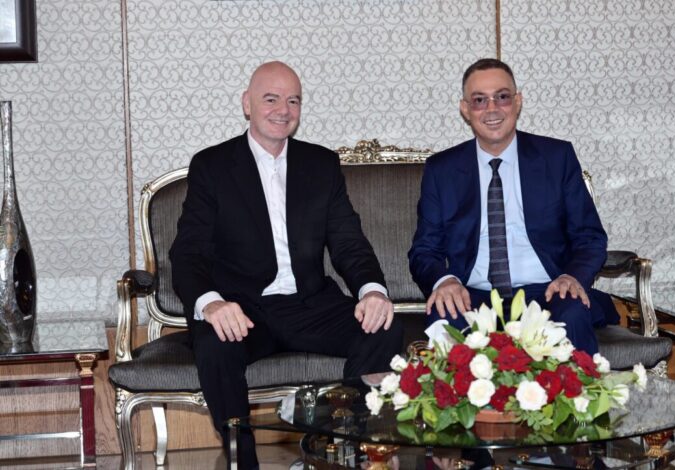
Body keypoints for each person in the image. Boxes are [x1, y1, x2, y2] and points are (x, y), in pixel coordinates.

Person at [170, 61, 403, 469]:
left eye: (293, 101)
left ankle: (346, 450)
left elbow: (348, 242)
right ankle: (242, 461)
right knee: (214, 344)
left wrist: (372, 291)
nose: (283, 110)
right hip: (243, 308)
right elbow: (188, 253)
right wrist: (211, 303)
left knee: (383, 327)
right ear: (247, 104)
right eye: (271, 99)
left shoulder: (321, 164)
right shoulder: (213, 166)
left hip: (310, 304)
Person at [408, 58, 619, 355]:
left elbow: (590, 237)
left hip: (548, 290)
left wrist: (572, 277)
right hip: (473, 295)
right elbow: (424, 250)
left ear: (517, 102)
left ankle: (579, 388)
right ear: (465, 109)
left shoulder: (556, 157)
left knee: (571, 312)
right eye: (479, 100)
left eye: (502, 97)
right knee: (445, 315)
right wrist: (445, 281)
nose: (492, 108)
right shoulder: (442, 170)